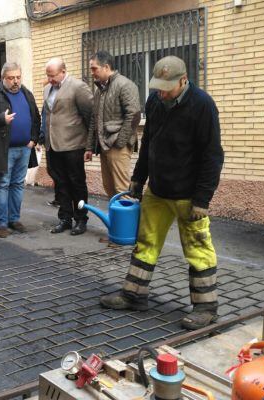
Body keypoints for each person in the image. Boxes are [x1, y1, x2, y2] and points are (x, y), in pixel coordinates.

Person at [100, 56, 224, 331]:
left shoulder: (203, 106)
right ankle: (134, 295)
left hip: (188, 196)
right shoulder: (155, 102)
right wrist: (137, 179)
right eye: (158, 87)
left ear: (183, 80)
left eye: (167, 87)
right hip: (157, 191)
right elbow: (149, 144)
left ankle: (206, 308)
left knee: (198, 249)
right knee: (146, 243)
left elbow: (212, 156)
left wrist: (202, 199)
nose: (161, 93)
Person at [0, 62, 40, 238]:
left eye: (18, 77)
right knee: (2, 184)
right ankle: (1, 223)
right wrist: (1, 119)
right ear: (3, 78)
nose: (15, 81)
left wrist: (34, 139)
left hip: (24, 148)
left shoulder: (26, 93)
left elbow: (36, 117)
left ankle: (14, 219)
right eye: (11, 78)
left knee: (18, 184)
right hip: (3, 149)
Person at [42, 58, 93, 235]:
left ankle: (81, 219)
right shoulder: (47, 89)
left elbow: (90, 116)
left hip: (73, 145)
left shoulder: (78, 87)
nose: (50, 79)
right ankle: (65, 218)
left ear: (63, 71)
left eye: (53, 75)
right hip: (53, 146)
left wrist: (89, 146)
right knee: (60, 183)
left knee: (76, 183)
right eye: (48, 75)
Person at [86, 51, 141, 199]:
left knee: (122, 190)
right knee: (109, 188)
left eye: (94, 68)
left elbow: (134, 116)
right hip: (104, 147)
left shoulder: (125, 85)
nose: (92, 73)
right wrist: (89, 147)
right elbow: (94, 120)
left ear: (106, 67)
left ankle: (130, 223)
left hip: (118, 146)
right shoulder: (99, 91)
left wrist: (119, 143)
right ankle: (118, 222)